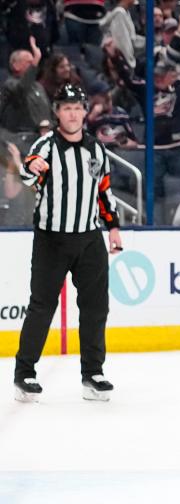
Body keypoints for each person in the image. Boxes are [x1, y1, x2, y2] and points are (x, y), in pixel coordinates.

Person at [13, 84, 123, 402]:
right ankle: (25, 374)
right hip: (51, 239)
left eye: (77, 107)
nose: (72, 113)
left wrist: (113, 228)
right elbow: (27, 175)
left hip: (90, 238)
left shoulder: (96, 150)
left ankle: (93, 373)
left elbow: (104, 191)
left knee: (95, 307)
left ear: (84, 112)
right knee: (42, 306)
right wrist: (28, 168)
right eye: (66, 108)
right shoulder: (46, 146)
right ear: (57, 112)